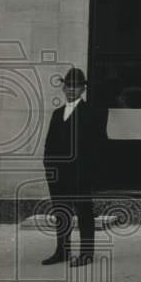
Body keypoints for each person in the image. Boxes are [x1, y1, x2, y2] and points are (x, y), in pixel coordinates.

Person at [42, 68, 106, 267]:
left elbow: (98, 146)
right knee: (61, 212)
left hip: (80, 173)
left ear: (83, 89)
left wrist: (89, 173)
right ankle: (62, 251)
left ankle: (86, 254)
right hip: (58, 174)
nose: (71, 90)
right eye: (68, 86)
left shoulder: (91, 113)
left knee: (84, 212)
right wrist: (48, 166)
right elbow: (49, 144)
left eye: (76, 86)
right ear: (63, 87)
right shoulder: (57, 113)